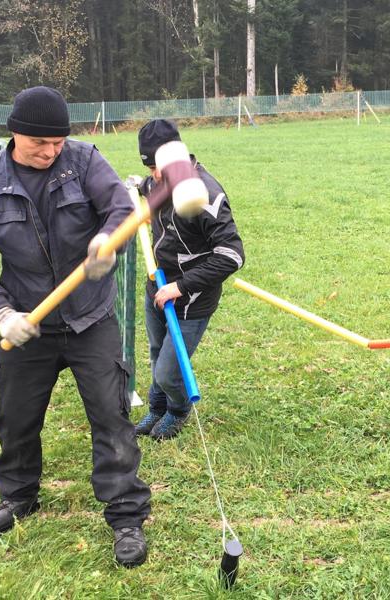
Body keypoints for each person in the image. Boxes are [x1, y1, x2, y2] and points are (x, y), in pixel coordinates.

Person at [0, 86, 151, 568]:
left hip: (91, 319)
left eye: (58, 142)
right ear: (13, 134)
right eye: (39, 144)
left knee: (111, 416)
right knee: (15, 415)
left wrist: (108, 240)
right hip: (28, 322)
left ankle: (125, 513)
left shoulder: (83, 162)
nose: (50, 151)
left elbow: (121, 208)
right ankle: (18, 496)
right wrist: (1, 312)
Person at [130, 119, 245, 441]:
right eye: (150, 168)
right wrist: (135, 185)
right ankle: (156, 408)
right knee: (156, 352)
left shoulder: (206, 193)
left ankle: (178, 410)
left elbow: (232, 255)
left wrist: (180, 287)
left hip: (190, 296)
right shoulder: (155, 182)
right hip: (158, 282)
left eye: (158, 167)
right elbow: (144, 186)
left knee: (169, 370)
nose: (155, 176)